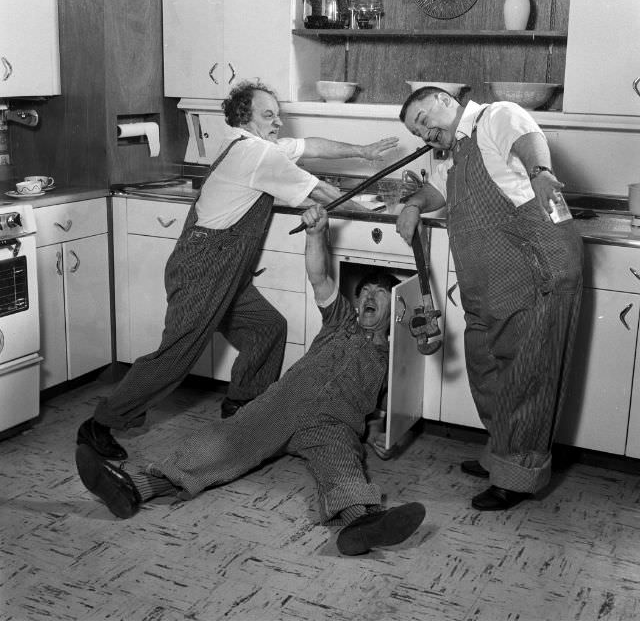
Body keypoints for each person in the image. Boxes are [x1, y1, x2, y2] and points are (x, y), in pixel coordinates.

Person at [75, 204, 426, 557]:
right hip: (287, 401)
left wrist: (384, 432)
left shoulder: (391, 357)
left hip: (336, 422)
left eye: (380, 293)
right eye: (364, 291)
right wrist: (316, 234)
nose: (368, 295)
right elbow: (320, 277)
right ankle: (132, 488)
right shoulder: (341, 320)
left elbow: (392, 405)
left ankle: (359, 523)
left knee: (342, 461)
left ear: (395, 307)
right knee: (226, 442)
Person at [77, 79, 399, 461]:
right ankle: (100, 424)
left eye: (278, 115)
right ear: (245, 118)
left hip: (226, 269)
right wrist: (382, 219)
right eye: (269, 115)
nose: (278, 122)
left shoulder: (255, 146)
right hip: (204, 268)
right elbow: (320, 192)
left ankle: (241, 410)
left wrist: (362, 150)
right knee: (176, 356)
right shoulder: (257, 155)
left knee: (267, 329)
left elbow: (310, 146)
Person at [395, 87, 583, 511]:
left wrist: (540, 172)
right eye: (417, 132)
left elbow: (527, 139)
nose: (425, 134)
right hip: (489, 283)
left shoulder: (496, 117)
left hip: (534, 269)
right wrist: (412, 206)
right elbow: (437, 194)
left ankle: (516, 477)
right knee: (484, 366)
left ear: (446, 101)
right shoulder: (459, 152)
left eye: (425, 120)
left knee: (525, 375)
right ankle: (502, 455)